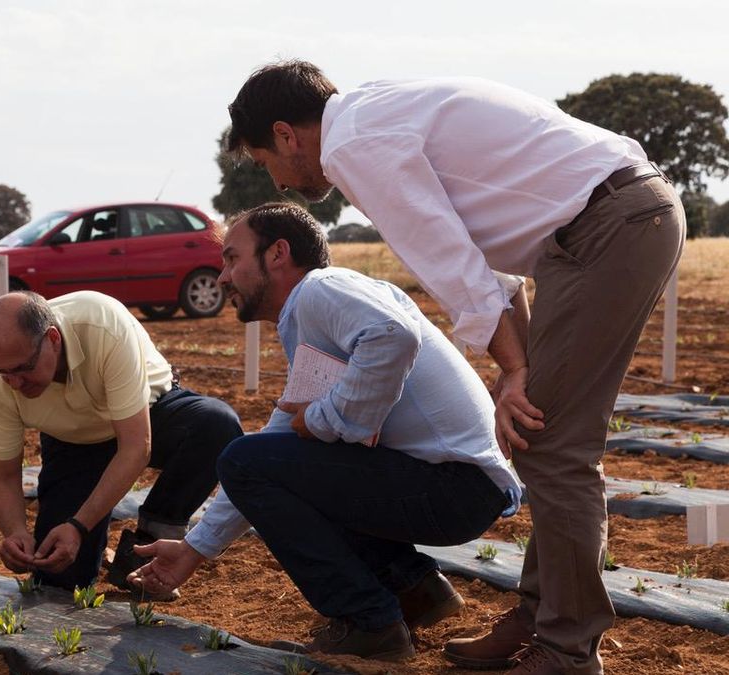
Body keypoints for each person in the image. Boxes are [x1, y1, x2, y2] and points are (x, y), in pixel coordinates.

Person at [224, 61, 685, 674]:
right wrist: (513, 366)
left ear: (286, 134)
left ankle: (567, 649)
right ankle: (538, 616)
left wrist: (515, 369)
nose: (278, 180)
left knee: (555, 447)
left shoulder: (354, 145)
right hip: (604, 224)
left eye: (265, 161)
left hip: (607, 225)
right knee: (541, 433)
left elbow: (448, 261)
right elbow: (483, 261)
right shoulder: (373, 113)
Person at [128, 203, 521, 661]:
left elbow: (394, 335)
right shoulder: (315, 312)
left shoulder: (320, 289)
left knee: (248, 460)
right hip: (459, 488)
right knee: (260, 460)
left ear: (278, 254)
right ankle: (414, 590)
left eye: (233, 258)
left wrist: (326, 421)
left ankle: (370, 622)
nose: (222, 278)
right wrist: (195, 550)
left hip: (453, 485)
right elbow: (275, 447)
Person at [0, 290, 242, 595]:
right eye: (5, 372)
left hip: (146, 415)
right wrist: (15, 532)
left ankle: (150, 543)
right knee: (59, 579)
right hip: (72, 440)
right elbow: (2, 474)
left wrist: (78, 526)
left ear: (52, 339)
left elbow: (135, 446)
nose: (15, 383)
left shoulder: (103, 325)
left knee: (215, 426)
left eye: (24, 368)